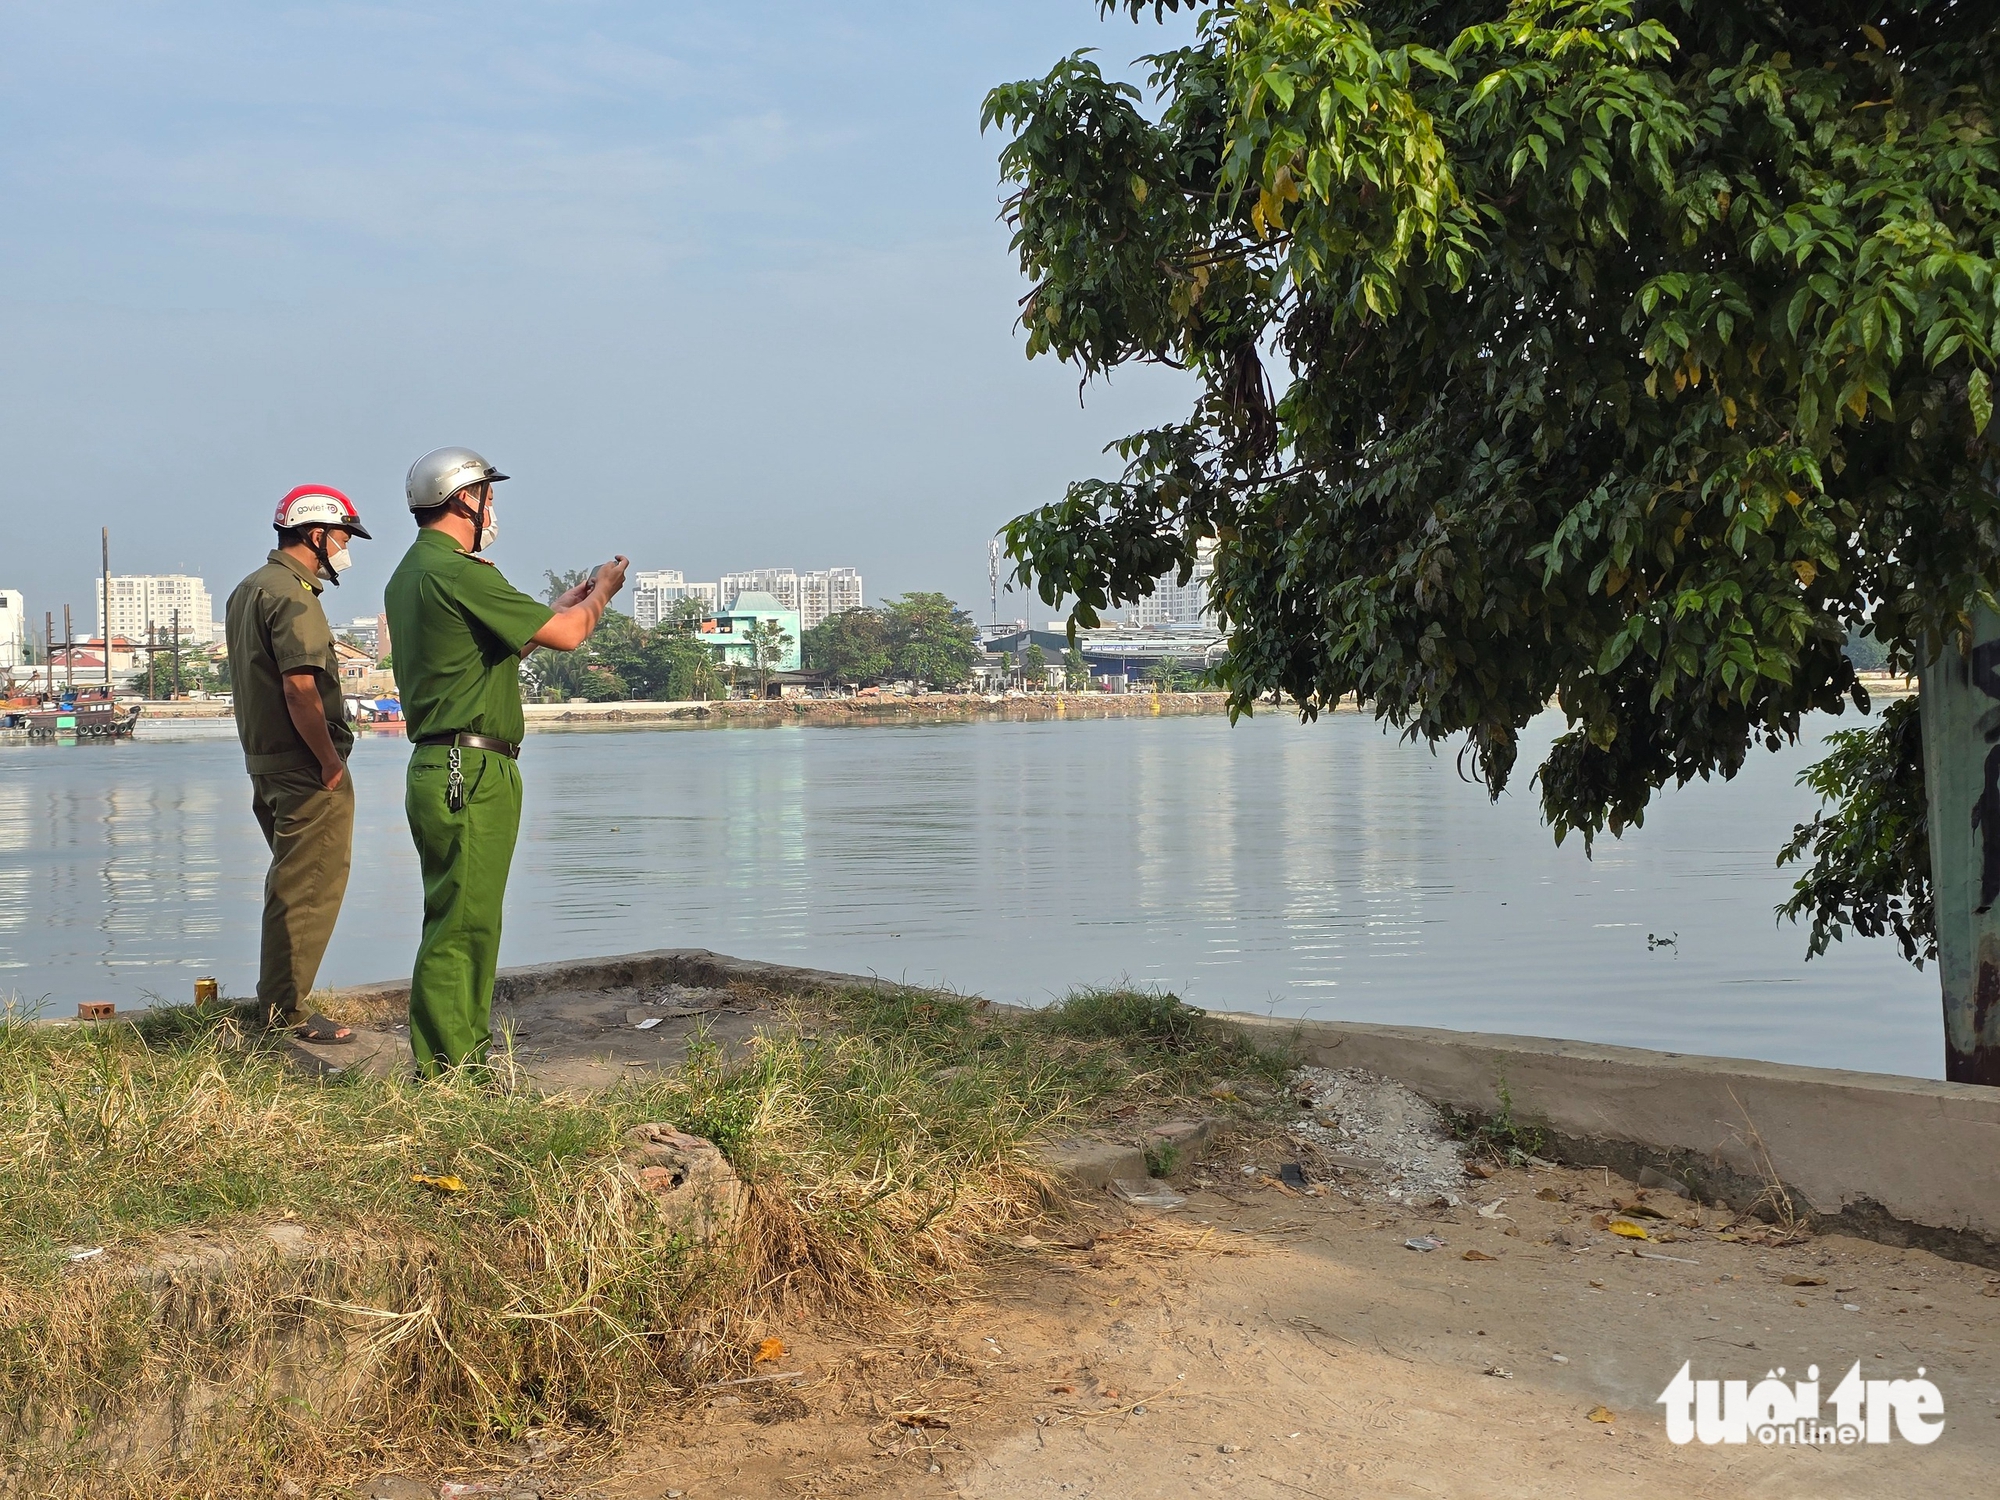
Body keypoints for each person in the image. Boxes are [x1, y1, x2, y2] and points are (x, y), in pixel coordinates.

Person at [384, 447, 627, 1076]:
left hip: (446, 765)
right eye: (490, 494)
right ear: (467, 498)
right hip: (472, 769)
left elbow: (483, 655)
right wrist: (600, 594)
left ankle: (455, 1056)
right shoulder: (462, 572)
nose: (495, 508)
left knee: (462, 916)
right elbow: (569, 636)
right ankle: (450, 1067)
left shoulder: (414, 573)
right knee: (464, 924)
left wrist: (562, 604)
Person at [224, 484, 372, 1042]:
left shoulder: (249, 588)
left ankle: (276, 1003)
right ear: (317, 535)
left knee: (290, 883)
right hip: (304, 765)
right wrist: (330, 762)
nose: (345, 548)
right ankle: (287, 1012)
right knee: (312, 884)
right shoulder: (293, 595)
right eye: (342, 536)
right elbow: (300, 690)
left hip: (264, 763)